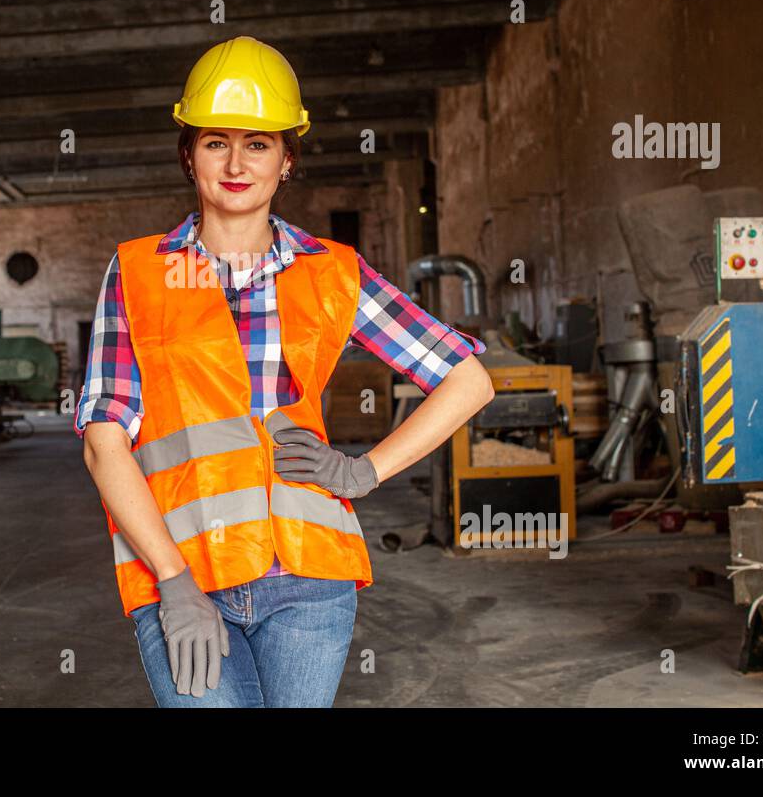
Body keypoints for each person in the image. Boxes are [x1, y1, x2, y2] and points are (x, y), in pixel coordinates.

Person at [75, 35, 495, 707]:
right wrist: (172, 579)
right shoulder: (140, 273)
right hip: (184, 571)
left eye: (259, 143)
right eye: (216, 142)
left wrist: (363, 471)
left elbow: (469, 378)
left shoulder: (331, 273)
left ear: (287, 158)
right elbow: (104, 444)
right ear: (189, 155)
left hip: (309, 576)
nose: (236, 162)